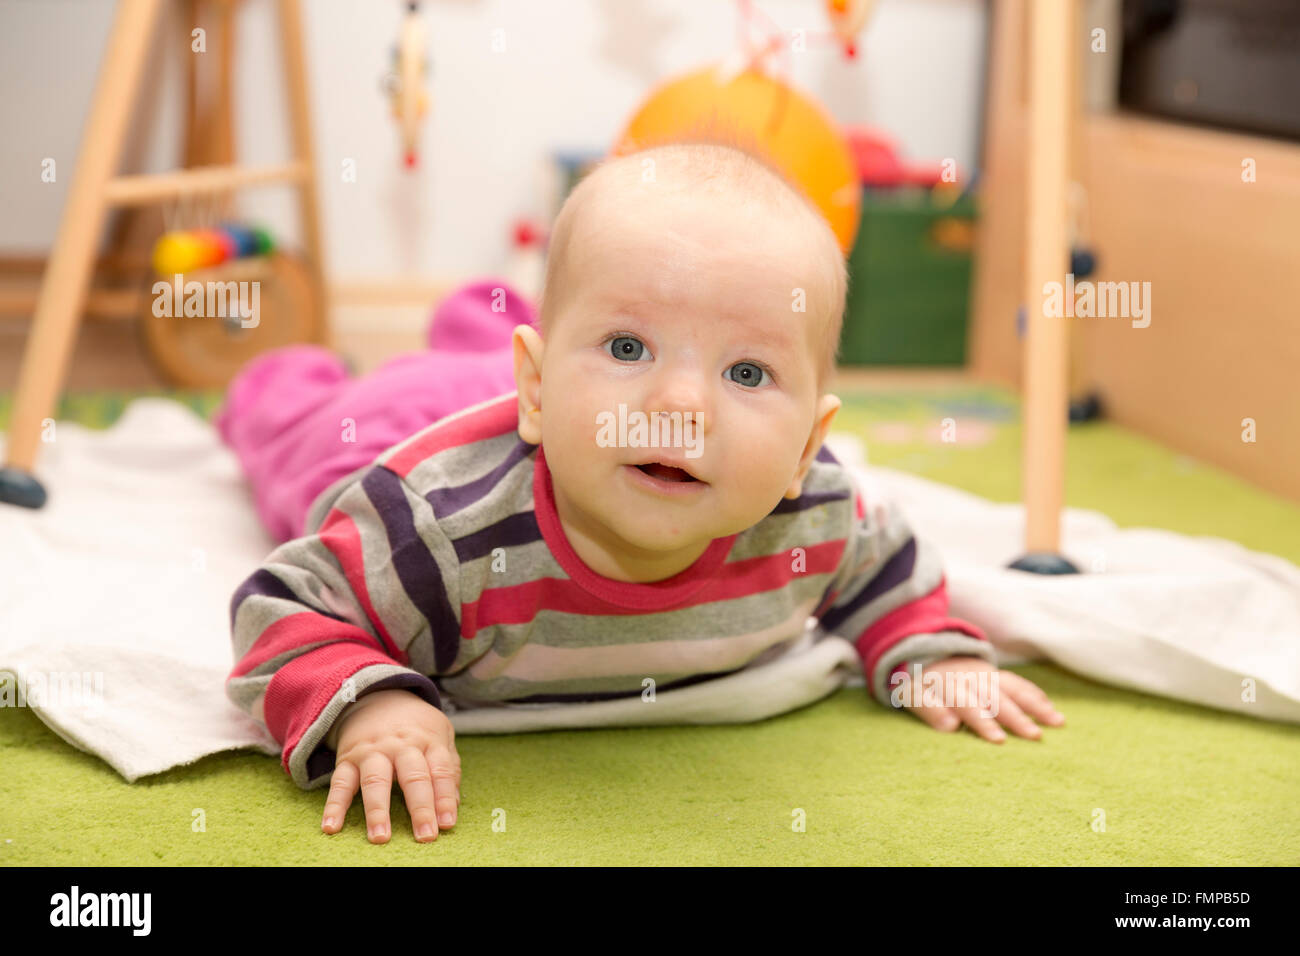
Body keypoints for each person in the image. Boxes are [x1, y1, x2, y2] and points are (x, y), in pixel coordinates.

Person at [221, 142, 1065, 846]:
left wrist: (932, 654)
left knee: (506, 351)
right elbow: (285, 606)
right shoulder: (434, 533)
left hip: (559, 403)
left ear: (809, 444)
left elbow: (889, 578)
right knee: (305, 436)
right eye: (629, 345)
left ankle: (500, 327)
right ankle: (295, 379)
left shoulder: (811, 520)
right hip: (400, 428)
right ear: (540, 392)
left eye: (746, 371)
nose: (680, 406)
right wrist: (369, 702)